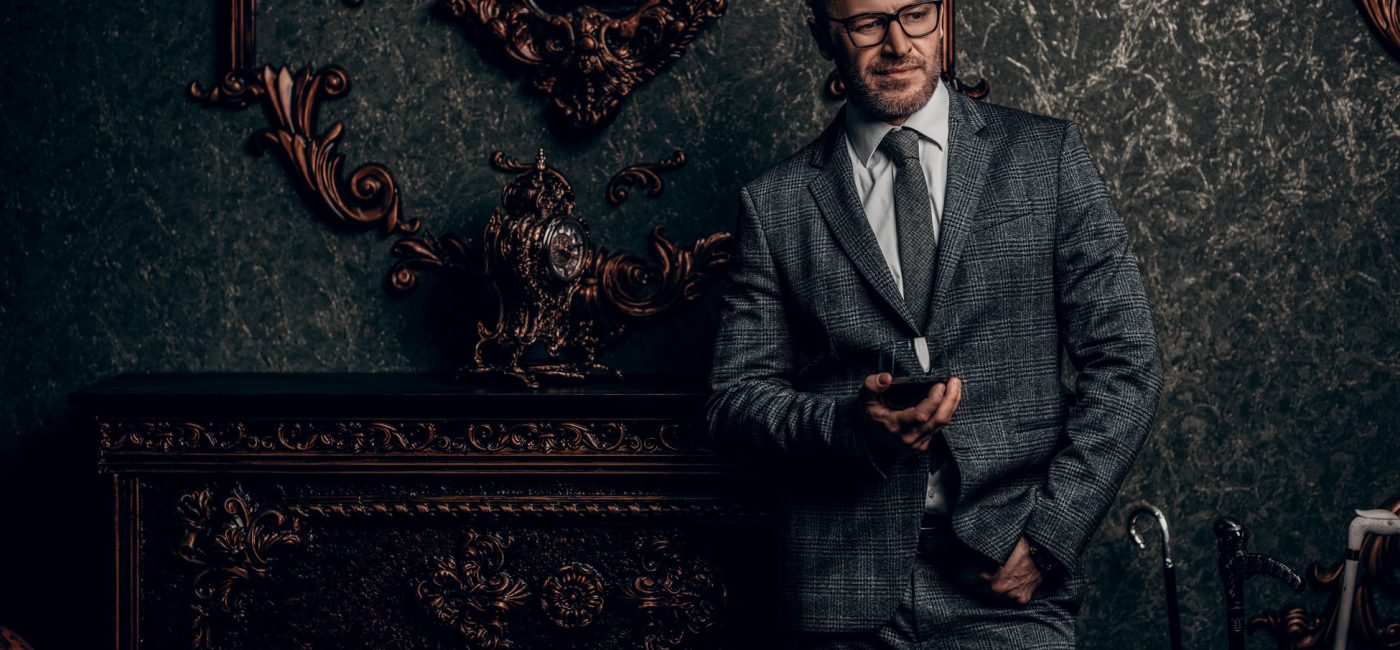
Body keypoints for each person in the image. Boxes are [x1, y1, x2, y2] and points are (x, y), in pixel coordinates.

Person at [703, 0, 1165, 646]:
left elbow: (1127, 364)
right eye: (868, 23)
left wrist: (1049, 538)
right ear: (824, 36)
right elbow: (735, 402)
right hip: (840, 597)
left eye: (915, 13)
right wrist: (850, 428)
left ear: (943, 18)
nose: (898, 43)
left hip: (1005, 589)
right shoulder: (775, 204)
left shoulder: (1047, 158)